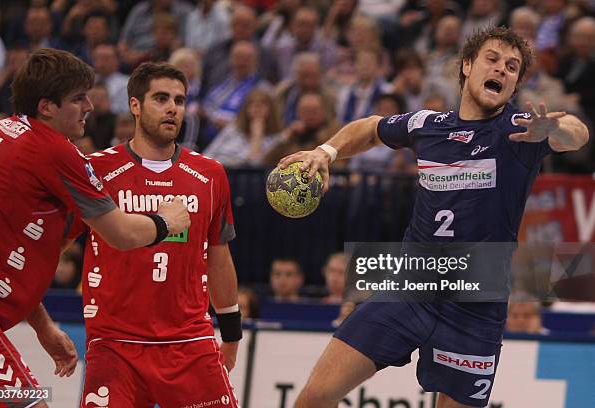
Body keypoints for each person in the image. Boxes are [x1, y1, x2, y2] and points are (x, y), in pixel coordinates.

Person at [279, 27, 589, 408]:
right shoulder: (427, 125)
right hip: (411, 287)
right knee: (312, 398)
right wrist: (325, 152)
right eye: (492, 59)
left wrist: (554, 127)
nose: (502, 70)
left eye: (512, 67)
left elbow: (578, 134)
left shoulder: (519, 130)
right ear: (467, 65)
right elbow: (371, 129)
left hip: (476, 302)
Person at [0, 49, 189, 407]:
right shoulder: (54, 150)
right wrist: (166, 221)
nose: (89, 107)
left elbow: (2, 252)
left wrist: (43, 326)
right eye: (78, 99)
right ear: (47, 106)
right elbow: (121, 233)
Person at [79, 62, 240, 407]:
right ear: (135, 106)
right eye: (161, 98)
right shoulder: (97, 169)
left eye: (179, 101)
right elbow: (58, 242)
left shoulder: (210, 174)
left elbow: (219, 256)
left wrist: (231, 333)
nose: (172, 108)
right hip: (114, 343)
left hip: (189, 342)